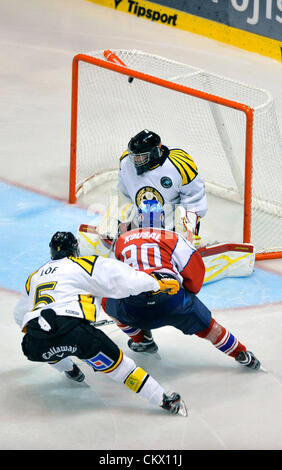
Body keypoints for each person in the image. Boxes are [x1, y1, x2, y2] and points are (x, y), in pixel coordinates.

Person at [13, 231, 187, 417]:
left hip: (34, 345)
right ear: (75, 249)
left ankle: (71, 371)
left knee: (48, 340)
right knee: (122, 370)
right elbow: (124, 280)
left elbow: (19, 316)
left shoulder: (34, 277)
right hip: (77, 336)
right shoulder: (84, 264)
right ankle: (164, 400)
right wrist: (154, 284)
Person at [102, 200, 261, 370]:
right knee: (209, 327)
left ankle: (142, 340)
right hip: (172, 301)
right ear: (162, 218)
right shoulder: (173, 238)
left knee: (106, 301)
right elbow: (194, 272)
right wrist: (189, 297)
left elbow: (113, 278)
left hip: (133, 307)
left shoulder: (122, 240)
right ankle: (242, 355)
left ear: (139, 219)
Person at [77, 129, 208, 257]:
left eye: (141, 157)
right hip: (141, 220)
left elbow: (194, 199)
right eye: (134, 157)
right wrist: (114, 218)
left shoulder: (179, 163)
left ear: (155, 152)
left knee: (181, 218)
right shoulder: (126, 161)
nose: (136, 161)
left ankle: (184, 250)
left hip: (171, 224)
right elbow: (123, 195)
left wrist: (188, 229)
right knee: (117, 210)